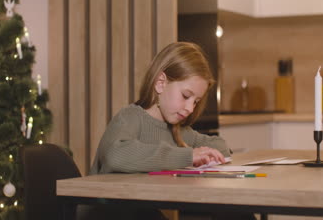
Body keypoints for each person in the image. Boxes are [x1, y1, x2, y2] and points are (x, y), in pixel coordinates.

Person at [86, 42, 254, 220]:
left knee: (234, 209)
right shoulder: (130, 117)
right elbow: (116, 156)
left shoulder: (177, 130)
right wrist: (187, 156)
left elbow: (220, 145)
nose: (190, 108)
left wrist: (205, 154)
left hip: (139, 209)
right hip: (107, 213)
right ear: (160, 83)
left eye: (196, 101)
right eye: (186, 96)